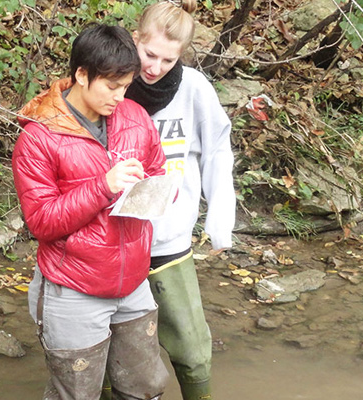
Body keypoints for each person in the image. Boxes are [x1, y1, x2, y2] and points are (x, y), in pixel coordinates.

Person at [12, 23, 172, 400]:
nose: (120, 97)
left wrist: (158, 192)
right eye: (111, 86)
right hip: (74, 287)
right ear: (81, 74)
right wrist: (104, 186)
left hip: (133, 281)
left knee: (146, 388)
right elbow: (42, 222)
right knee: (77, 394)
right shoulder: (39, 138)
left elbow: (157, 170)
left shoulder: (134, 118)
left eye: (126, 86)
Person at [124, 1, 236, 399]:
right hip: (115, 240)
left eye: (167, 60)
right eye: (149, 54)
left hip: (169, 238)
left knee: (191, 347)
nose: (154, 67)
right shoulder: (112, 83)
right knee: (118, 354)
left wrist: (219, 219)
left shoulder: (194, 89)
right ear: (135, 39)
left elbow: (217, 152)